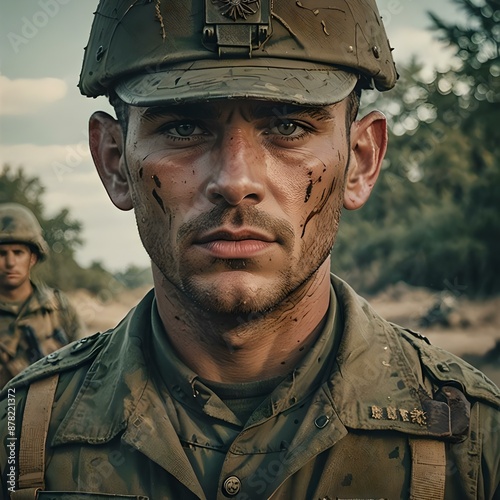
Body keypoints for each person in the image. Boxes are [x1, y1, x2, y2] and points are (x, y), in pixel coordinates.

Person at [1, 1, 499, 498]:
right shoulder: (23, 436)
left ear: (360, 161)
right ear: (114, 162)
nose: (235, 181)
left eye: (289, 127)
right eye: (182, 128)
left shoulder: (474, 442)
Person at [0, 203, 83, 388]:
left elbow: (85, 368)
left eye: (18, 253)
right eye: (2, 253)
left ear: (33, 258)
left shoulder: (58, 307)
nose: (10, 262)